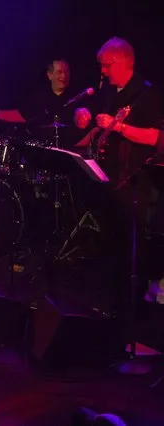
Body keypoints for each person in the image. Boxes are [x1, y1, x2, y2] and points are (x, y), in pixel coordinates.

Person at [73, 37, 161, 321]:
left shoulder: (147, 95)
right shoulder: (110, 92)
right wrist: (81, 115)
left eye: (106, 65)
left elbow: (156, 137)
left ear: (122, 62)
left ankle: (129, 313)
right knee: (109, 243)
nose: (103, 72)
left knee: (130, 248)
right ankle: (108, 306)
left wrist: (119, 126)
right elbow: (87, 118)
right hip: (108, 179)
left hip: (134, 181)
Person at [0, 58, 83, 147]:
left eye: (66, 71)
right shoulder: (39, 95)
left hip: (69, 150)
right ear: (50, 75)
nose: (64, 75)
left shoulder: (78, 96)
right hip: (43, 150)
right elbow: (22, 115)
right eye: (59, 72)